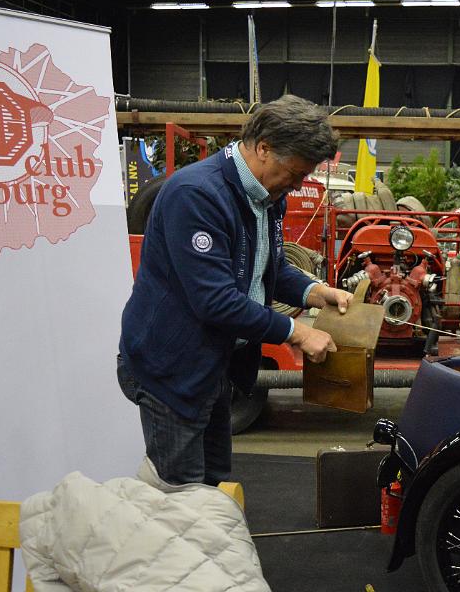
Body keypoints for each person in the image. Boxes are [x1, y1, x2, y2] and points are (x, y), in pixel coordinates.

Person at [117, 95, 353, 487]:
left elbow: (267, 266)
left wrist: (316, 291)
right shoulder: (197, 195)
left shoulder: (267, 194)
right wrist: (297, 332)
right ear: (263, 148)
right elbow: (215, 300)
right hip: (172, 367)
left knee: (213, 484)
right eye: (294, 173)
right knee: (182, 496)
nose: (297, 185)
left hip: (214, 365)